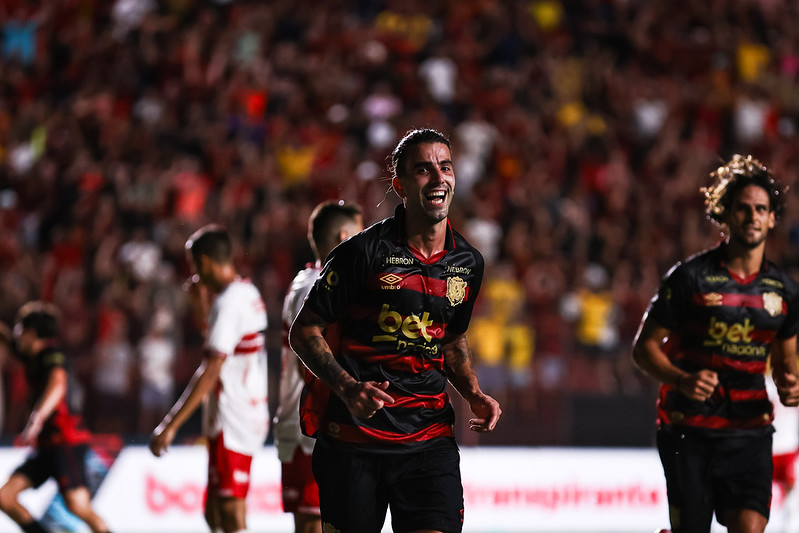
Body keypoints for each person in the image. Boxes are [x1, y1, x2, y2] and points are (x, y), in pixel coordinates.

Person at [289, 128, 502, 533]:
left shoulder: (468, 262)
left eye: (445, 167)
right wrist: (349, 388)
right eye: (424, 169)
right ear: (400, 185)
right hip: (354, 442)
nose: (439, 178)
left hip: (428, 441)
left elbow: (452, 338)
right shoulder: (362, 253)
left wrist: (472, 392)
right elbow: (304, 331)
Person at [632, 154, 799, 533]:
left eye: (761, 209)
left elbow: (787, 363)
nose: (753, 216)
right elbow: (643, 349)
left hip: (751, 432)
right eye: (743, 209)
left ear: (772, 218)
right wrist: (681, 379)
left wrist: (792, 386)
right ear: (725, 215)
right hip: (689, 431)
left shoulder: (786, 292)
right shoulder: (690, 278)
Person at [149, 224, 268, 533]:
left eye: (194, 267)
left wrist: (170, 425)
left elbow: (212, 367)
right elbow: (220, 339)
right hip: (242, 410)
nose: (195, 275)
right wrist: (200, 303)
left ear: (203, 262)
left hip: (234, 418)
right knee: (214, 513)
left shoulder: (229, 302)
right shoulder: (245, 291)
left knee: (230, 513)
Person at [274, 200, 363, 533]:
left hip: (309, 427)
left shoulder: (314, 281)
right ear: (344, 236)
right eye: (360, 231)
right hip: (311, 429)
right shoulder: (315, 286)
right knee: (316, 525)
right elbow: (307, 366)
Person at [0, 301, 111, 533]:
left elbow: (57, 385)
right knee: (5, 497)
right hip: (47, 447)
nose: (16, 334)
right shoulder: (30, 354)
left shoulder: (53, 355)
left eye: (20, 329)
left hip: (67, 442)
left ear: (31, 333)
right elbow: (6, 338)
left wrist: (36, 419)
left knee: (78, 506)